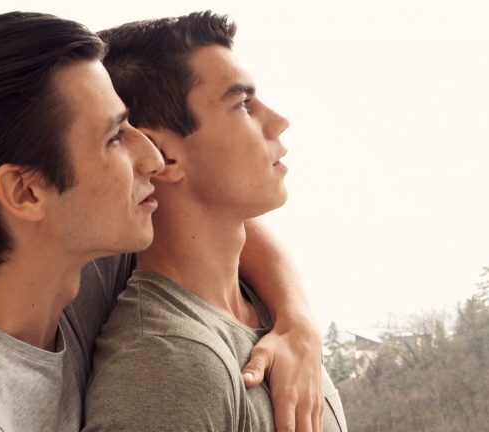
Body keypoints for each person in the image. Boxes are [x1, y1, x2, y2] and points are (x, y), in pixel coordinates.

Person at [0, 11, 324, 432]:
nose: (152, 157)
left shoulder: (67, 257)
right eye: (115, 137)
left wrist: (296, 321)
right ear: (26, 192)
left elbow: (221, 222)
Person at [84, 11, 348, 432]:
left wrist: (296, 316)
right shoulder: (167, 365)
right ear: (163, 155)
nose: (278, 121)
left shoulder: (266, 313)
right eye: (242, 104)